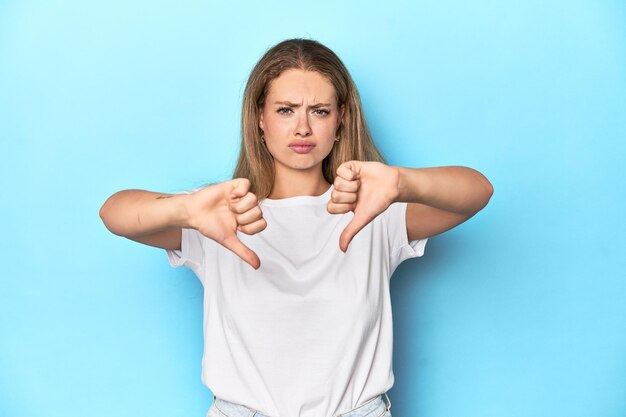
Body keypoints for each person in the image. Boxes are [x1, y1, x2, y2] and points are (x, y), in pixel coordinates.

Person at [99, 38, 493, 417]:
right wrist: (185, 208)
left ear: (341, 120)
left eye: (319, 111)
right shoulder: (219, 213)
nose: (302, 128)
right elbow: (114, 213)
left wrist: (402, 182)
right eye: (286, 110)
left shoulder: (375, 211)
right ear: (259, 119)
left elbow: (477, 191)